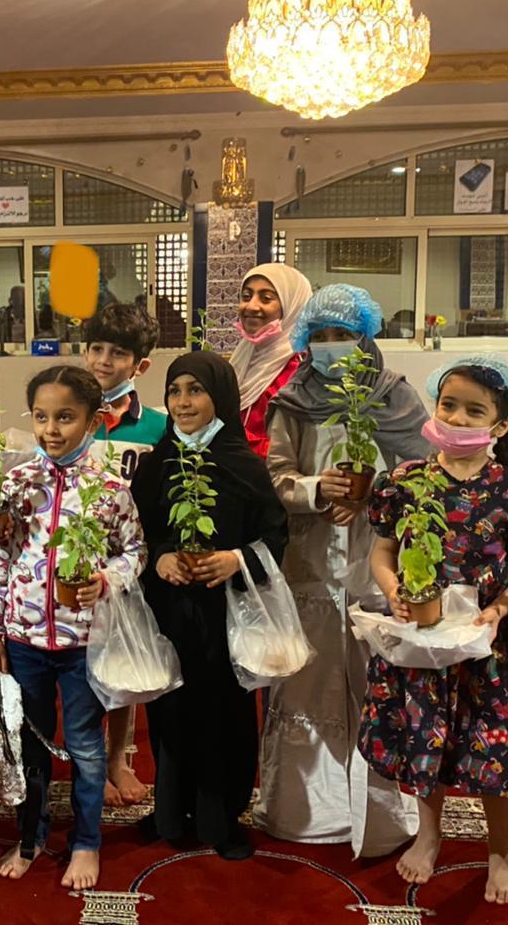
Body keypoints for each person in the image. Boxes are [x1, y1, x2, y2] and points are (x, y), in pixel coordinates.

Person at [359, 355, 508, 905]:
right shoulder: (405, 482)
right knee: (424, 735)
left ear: (501, 424)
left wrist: (501, 608)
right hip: (422, 640)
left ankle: (500, 848)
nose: (457, 419)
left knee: (493, 741)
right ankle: (429, 833)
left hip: (488, 642)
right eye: (448, 405)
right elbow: (383, 554)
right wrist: (393, 590)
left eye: (474, 411)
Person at [257, 284, 429, 857]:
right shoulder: (293, 401)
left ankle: (379, 815)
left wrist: (372, 494)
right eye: (322, 336)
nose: (332, 346)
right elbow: (275, 476)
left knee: (374, 680)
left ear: (366, 337)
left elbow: (424, 473)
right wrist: (315, 489)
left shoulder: (395, 397)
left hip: (375, 557)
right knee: (306, 677)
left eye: (344, 335)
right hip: (307, 559)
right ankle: (302, 810)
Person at [0, 365, 144, 891]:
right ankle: (30, 838)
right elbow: (0, 558)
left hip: (84, 644)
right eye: (41, 417)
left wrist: (107, 578)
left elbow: (135, 551)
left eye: (65, 417)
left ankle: (86, 841)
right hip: (24, 641)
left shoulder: (110, 488)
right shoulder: (16, 484)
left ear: (93, 421)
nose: (51, 430)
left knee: (86, 747)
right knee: (28, 745)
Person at [131, 351, 288, 860]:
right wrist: (160, 558)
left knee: (224, 714)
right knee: (169, 708)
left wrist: (235, 559)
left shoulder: (243, 463)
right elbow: (135, 531)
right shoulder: (158, 462)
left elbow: (275, 534)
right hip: (170, 608)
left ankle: (222, 818)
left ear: (220, 396)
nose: (182, 402)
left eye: (195, 390)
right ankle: (170, 811)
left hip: (226, 614)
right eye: (174, 391)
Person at [81, 302, 166, 807]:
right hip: (73, 563)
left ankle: (118, 757)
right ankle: (88, 758)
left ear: (141, 364)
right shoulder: (70, 418)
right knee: (76, 665)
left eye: (117, 353)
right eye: (96, 348)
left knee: (122, 660)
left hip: (129, 562)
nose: (103, 361)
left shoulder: (157, 427)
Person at [230, 263, 313, 459]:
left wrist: (227, 439)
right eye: (246, 296)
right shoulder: (242, 356)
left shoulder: (301, 370)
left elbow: (295, 448)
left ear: (292, 306)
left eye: (266, 298)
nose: (251, 306)